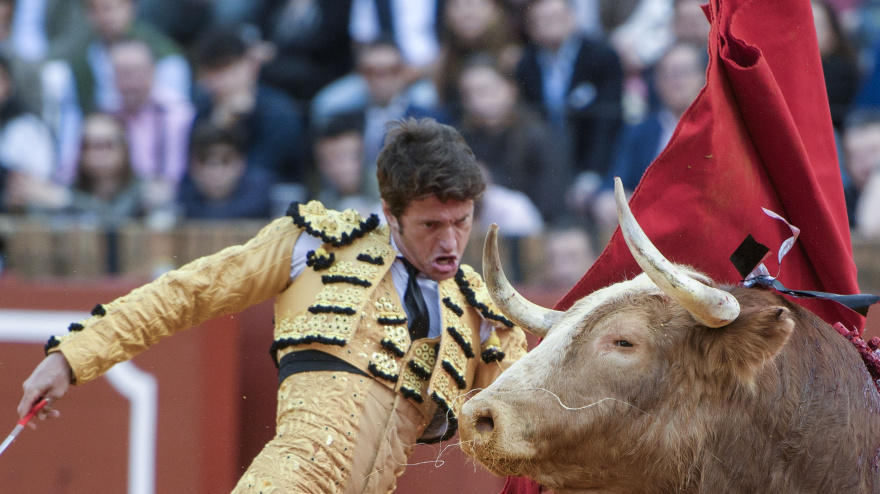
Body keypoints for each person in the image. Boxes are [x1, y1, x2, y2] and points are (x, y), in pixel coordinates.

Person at [17, 117, 528, 493]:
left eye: (461, 222)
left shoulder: (482, 316)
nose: (451, 242)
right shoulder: (317, 247)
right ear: (390, 213)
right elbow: (185, 293)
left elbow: (531, 429)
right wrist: (72, 355)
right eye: (431, 225)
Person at [191, 26, 308, 185]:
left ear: (251, 65)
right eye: (212, 72)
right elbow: (194, 173)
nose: (221, 81)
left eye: (228, 68)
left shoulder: (278, 111)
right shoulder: (203, 108)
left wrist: (239, 123)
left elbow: (262, 176)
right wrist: (219, 125)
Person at [178, 121, 276, 220]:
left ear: (241, 163)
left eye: (226, 161)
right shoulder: (181, 198)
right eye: (204, 160)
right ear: (192, 164)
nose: (215, 172)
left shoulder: (260, 197)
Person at [310, 112, 383, 219]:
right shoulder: (320, 201)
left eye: (342, 158)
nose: (337, 169)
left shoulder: (390, 191)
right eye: (328, 162)